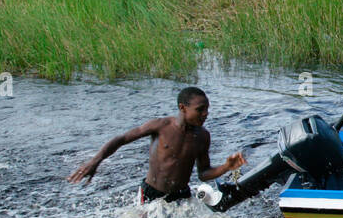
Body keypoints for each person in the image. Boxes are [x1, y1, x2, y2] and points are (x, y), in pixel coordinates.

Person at [67, 86, 246, 203]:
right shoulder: (161, 126)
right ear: (183, 108)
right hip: (151, 194)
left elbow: (203, 173)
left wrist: (226, 167)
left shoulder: (203, 136)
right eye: (200, 109)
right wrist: (94, 162)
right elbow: (121, 139)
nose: (205, 114)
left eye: (207, 109)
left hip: (181, 196)